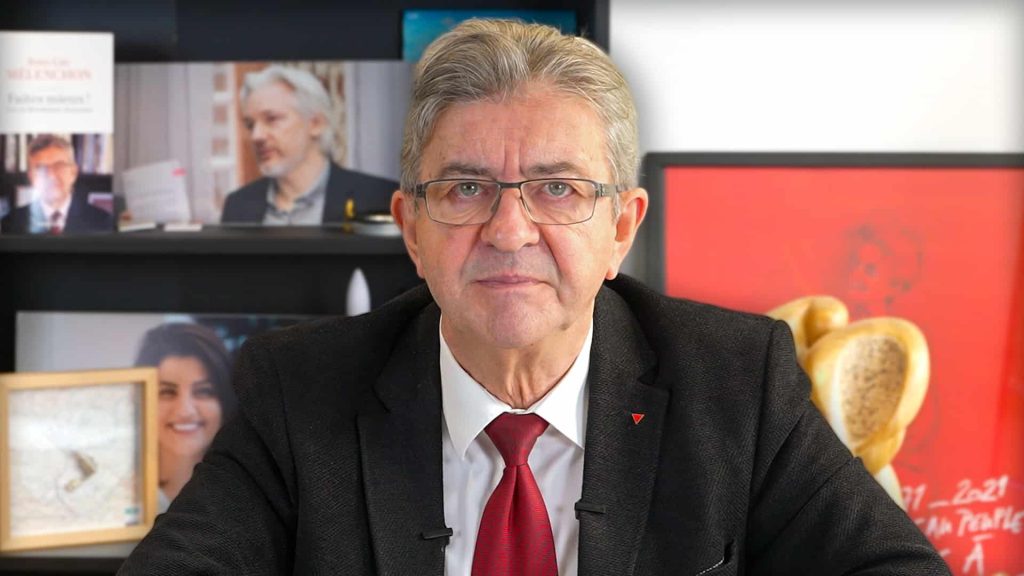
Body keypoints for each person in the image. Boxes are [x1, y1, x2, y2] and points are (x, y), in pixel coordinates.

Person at [120, 20, 949, 575]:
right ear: (411, 229)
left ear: (621, 228)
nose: (509, 230)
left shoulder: (737, 383)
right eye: (466, 188)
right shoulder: (299, 390)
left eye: (557, 188)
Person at [220, 65, 396, 225]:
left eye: (271, 119)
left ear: (316, 123)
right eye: (250, 125)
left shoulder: (380, 197)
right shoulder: (237, 205)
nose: (256, 136)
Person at [134, 323, 237, 509]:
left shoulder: (252, 496)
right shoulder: (115, 496)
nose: (185, 411)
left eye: (204, 391)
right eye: (167, 392)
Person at [0, 134, 113, 234]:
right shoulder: (9, 224)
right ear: (31, 177)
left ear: (73, 173)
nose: (51, 175)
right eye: (41, 168)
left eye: (59, 166)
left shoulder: (103, 222)